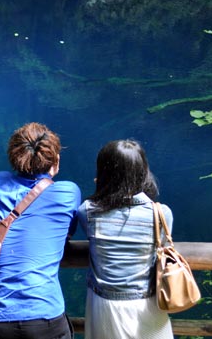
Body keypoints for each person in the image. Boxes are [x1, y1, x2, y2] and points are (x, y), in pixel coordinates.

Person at [0, 122, 81, 339]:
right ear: (55, 160)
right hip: (46, 317)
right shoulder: (68, 192)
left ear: (14, 156)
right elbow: (67, 234)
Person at [77, 139, 174, 339]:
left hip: (104, 305)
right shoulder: (161, 214)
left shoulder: (87, 212)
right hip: (146, 303)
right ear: (143, 172)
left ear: (102, 173)